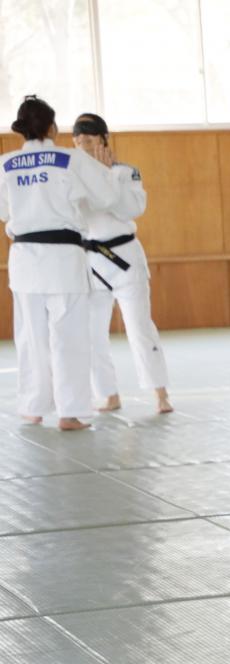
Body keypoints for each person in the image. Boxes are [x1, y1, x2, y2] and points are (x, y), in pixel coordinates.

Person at [1, 96, 119, 430]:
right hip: (63, 259)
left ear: (22, 129)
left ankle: (33, 406)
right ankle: (70, 412)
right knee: (69, 336)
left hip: (24, 259)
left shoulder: (6, 163)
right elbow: (107, 197)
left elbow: (3, 211)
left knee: (31, 338)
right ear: (53, 127)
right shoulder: (70, 159)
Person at [72, 113, 173, 415]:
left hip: (125, 258)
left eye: (88, 141)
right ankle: (109, 393)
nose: (83, 148)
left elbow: (132, 209)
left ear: (104, 139)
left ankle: (160, 393)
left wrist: (106, 178)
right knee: (91, 333)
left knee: (139, 327)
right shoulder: (73, 177)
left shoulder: (127, 172)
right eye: (77, 142)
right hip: (90, 260)